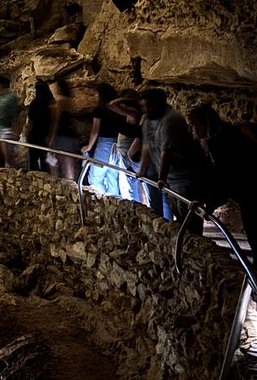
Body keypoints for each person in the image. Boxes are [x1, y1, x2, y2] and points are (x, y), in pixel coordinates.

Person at [187, 104, 257, 256]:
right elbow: (211, 176)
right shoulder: (222, 136)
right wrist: (202, 199)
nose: (190, 130)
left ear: (204, 123)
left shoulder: (222, 141)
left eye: (192, 125)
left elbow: (222, 178)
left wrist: (209, 206)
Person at [137, 88, 206, 221]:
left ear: (159, 103)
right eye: (144, 106)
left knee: (188, 216)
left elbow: (167, 151)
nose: (146, 109)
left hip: (184, 177)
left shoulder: (170, 121)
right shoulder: (148, 120)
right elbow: (147, 145)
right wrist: (142, 170)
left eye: (149, 105)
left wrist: (161, 178)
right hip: (171, 178)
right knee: (178, 214)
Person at [83, 83, 125, 196]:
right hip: (118, 144)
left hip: (105, 144)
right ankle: (114, 203)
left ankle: (102, 203)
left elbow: (95, 130)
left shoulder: (100, 110)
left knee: (95, 177)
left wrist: (89, 146)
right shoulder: (120, 109)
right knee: (113, 177)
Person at [107, 89, 146, 203]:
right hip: (125, 152)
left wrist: (130, 99)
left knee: (133, 186)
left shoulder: (134, 113)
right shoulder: (129, 113)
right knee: (128, 185)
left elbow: (112, 104)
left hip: (130, 153)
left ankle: (138, 207)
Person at [47, 76, 79, 180]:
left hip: (61, 135)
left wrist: (51, 139)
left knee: (55, 164)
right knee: (69, 165)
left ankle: (58, 191)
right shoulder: (72, 101)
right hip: (71, 135)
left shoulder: (60, 101)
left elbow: (56, 120)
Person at [24, 79, 53, 173]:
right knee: (45, 159)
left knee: (33, 158)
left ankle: (33, 177)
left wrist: (28, 134)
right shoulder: (51, 103)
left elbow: (31, 121)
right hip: (46, 133)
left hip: (35, 134)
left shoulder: (34, 104)